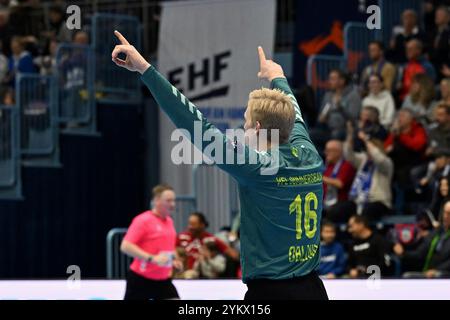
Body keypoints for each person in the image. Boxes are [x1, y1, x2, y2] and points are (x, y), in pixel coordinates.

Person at [112, 31, 328, 300]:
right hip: (314, 290)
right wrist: (278, 76)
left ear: (259, 129)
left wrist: (145, 69)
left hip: (272, 293)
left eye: (246, 122)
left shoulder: (258, 167)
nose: (244, 127)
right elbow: (292, 110)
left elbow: (194, 123)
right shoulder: (307, 150)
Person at [120, 184, 180, 300]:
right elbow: (125, 246)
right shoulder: (143, 220)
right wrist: (152, 258)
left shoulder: (169, 222)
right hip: (141, 279)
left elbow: (169, 247)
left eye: (173, 200)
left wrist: (175, 259)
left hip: (163, 280)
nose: (172, 204)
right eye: (168, 201)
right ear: (156, 201)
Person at [343, 122, 394, 221]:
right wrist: (350, 136)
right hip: (358, 199)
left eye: (369, 149)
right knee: (339, 209)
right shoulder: (364, 160)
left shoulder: (387, 163)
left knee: (367, 212)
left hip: (378, 201)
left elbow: (378, 158)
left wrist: (366, 139)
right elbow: (348, 156)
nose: (368, 151)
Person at [394, 200, 450, 278]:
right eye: (445, 212)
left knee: (438, 275)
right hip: (428, 272)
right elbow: (420, 253)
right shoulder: (437, 232)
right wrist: (403, 252)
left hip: (443, 274)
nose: (445, 216)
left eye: (449, 213)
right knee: (407, 276)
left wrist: (437, 270)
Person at [313, 69, 361, 144]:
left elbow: (353, 118)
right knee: (310, 134)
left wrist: (341, 108)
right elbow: (320, 116)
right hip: (327, 127)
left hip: (344, 129)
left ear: (342, 81)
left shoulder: (353, 95)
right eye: (330, 79)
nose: (330, 82)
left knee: (336, 134)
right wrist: (322, 117)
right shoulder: (328, 95)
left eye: (333, 79)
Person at [322, 140, 356, 223]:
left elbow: (339, 183)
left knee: (334, 211)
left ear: (338, 152)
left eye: (329, 150)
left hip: (342, 202)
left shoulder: (347, 166)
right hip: (325, 202)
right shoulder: (328, 167)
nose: (326, 153)